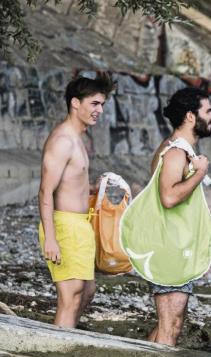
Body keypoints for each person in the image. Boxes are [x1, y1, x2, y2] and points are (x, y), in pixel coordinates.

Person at [38, 74, 116, 328]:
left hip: (80, 225)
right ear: (75, 103)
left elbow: (69, 182)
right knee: (70, 296)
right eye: (94, 104)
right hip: (64, 226)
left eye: (102, 105)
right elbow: (45, 191)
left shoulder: (78, 139)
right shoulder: (62, 141)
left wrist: (94, 187)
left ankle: (65, 337)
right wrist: (50, 238)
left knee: (86, 292)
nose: (100, 110)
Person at [145, 87, 211, 346]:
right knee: (170, 326)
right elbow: (169, 197)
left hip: (177, 249)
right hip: (169, 250)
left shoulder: (179, 149)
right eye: (208, 111)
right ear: (190, 117)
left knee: (171, 323)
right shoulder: (175, 152)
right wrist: (199, 173)